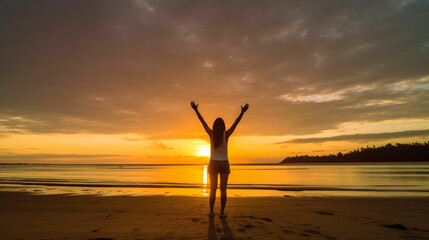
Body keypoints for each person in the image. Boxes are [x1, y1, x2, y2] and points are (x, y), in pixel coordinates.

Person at [191, 101, 249, 217]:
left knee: (213, 190)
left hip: (213, 163)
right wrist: (242, 112)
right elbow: (235, 123)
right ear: (223, 127)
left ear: (214, 127)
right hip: (224, 164)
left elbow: (203, 122)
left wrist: (196, 110)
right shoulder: (226, 135)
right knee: (223, 190)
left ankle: (211, 212)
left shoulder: (211, 134)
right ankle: (222, 213)